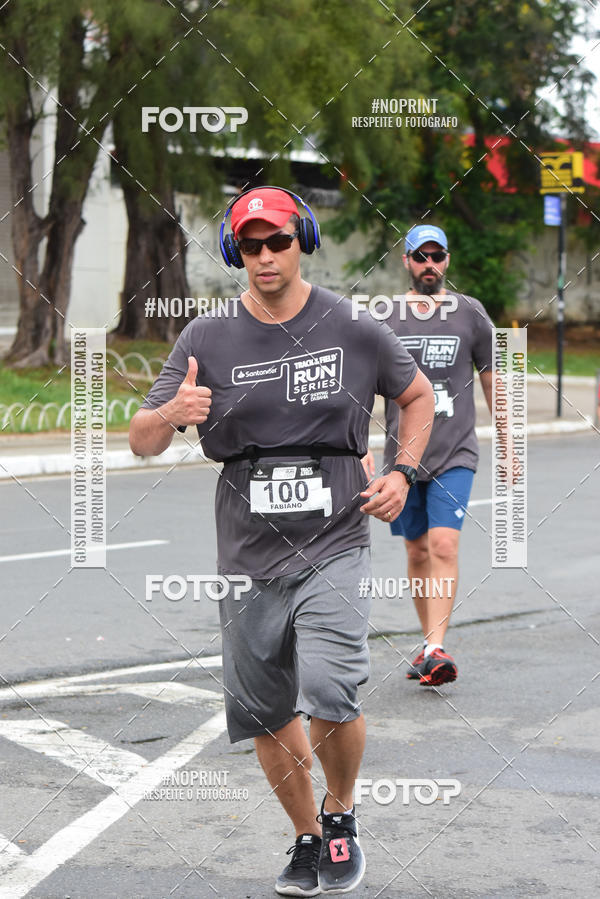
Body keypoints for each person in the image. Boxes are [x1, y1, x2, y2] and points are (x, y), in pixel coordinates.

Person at [129, 186, 434, 896]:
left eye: (280, 241)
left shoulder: (352, 325)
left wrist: (403, 471)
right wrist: (172, 411)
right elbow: (142, 438)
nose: (266, 256)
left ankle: (341, 812)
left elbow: (415, 397)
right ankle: (305, 839)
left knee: (331, 685)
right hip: (245, 552)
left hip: (335, 538)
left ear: (304, 241)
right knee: (266, 711)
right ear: (237, 251)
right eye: (252, 245)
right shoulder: (204, 337)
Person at [363, 224, 495, 688]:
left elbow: (493, 376)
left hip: (456, 451)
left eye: (437, 256)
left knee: (443, 545)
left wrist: (511, 439)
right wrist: (360, 446)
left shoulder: (471, 314)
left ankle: (437, 645)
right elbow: (363, 389)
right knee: (417, 549)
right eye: (421, 257)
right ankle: (427, 643)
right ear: (407, 262)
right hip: (403, 458)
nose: (429, 266)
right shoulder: (386, 317)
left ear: (448, 261)